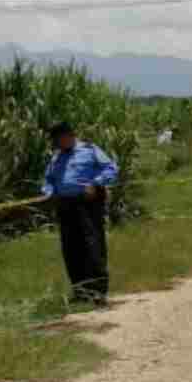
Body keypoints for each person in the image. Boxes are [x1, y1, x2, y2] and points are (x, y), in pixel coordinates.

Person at [41, 121, 119, 306]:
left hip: (88, 204)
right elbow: (49, 179)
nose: (58, 143)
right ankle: (80, 291)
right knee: (71, 248)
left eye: (59, 138)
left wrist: (95, 183)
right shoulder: (56, 157)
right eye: (55, 140)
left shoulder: (90, 150)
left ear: (70, 135)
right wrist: (48, 191)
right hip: (65, 205)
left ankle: (98, 292)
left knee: (92, 246)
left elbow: (111, 169)